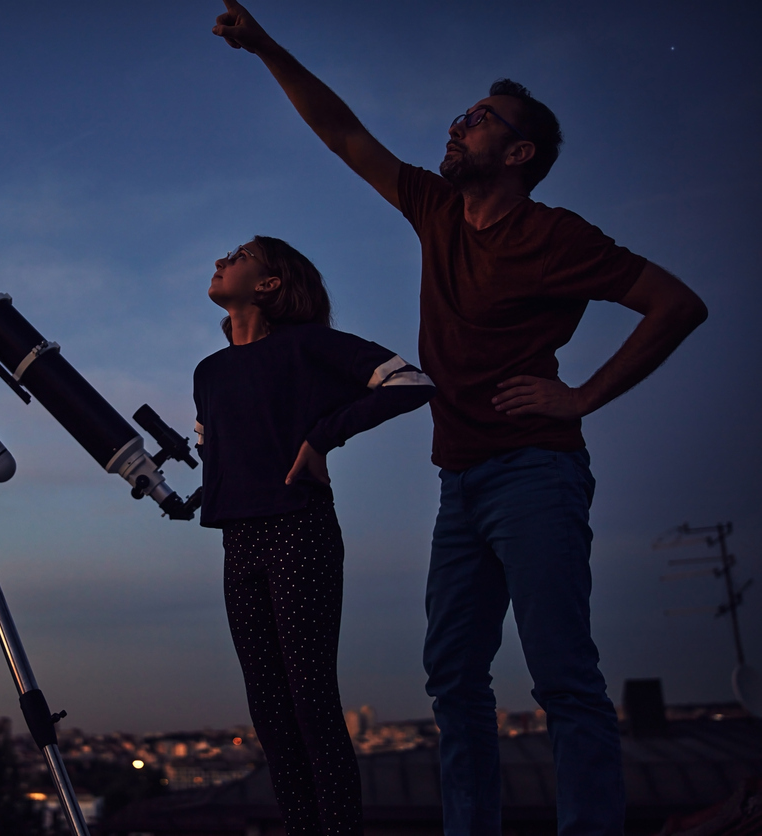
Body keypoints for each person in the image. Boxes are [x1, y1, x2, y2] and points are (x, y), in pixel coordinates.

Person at [209, 4, 709, 835]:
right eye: (463, 113)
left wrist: (582, 395)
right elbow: (344, 134)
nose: (459, 123)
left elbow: (676, 304)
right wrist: (264, 46)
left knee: (564, 681)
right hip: (460, 481)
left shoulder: (557, 237)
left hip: (535, 472)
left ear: (518, 153)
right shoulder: (437, 209)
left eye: (480, 119)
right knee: (452, 677)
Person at [194, 235, 435, 835]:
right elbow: (213, 446)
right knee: (268, 710)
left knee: (310, 698)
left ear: (270, 284)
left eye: (239, 255)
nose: (221, 261)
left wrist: (324, 436)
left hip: (299, 532)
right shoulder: (209, 371)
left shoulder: (310, 347)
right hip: (238, 542)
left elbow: (411, 382)